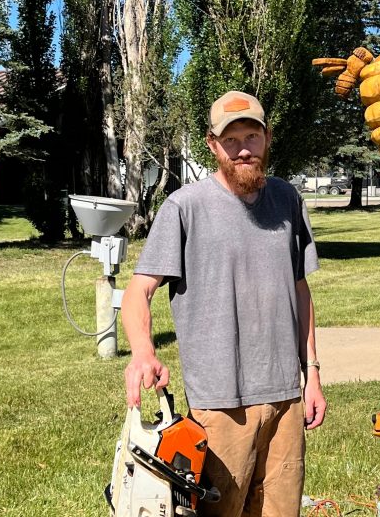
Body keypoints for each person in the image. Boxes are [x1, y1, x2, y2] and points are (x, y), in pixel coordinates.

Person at [121, 90, 326, 517]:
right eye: (230, 140)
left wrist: (313, 375)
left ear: (267, 138)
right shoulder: (185, 207)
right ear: (212, 145)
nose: (243, 149)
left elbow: (300, 290)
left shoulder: (288, 200)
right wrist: (143, 352)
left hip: (286, 399)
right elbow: (138, 290)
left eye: (252, 136)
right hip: (219, 404)